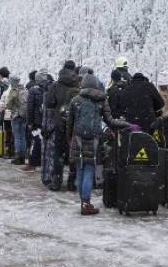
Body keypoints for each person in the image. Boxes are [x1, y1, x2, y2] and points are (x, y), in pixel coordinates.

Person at [68, 74, 132, 215]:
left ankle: (83, 202)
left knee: (80, 169)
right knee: (90, 170)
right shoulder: (101, 100)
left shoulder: (75, 100)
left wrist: (69, 139)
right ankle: (86, 203)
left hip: (77, 138)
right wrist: (126, 124)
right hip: (94, 140)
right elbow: (110, 121)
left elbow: (70, 123)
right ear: (96, 85)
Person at [44, 60, 80, 191]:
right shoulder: (78, 85)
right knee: (73, 152)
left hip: (60, 123)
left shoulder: (56, 85)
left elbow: (49, 103)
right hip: (74, 124)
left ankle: (57, 181)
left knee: (58, 152)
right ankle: (72, 182)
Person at [21, 70, 50, 172]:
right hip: (48, 121)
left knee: (35, 141)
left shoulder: (33, 90)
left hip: (37, 122)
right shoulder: (50, 88)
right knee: (46, 142)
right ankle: (44, 163)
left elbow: (30, 107)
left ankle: (32, 164)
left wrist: (29, 122)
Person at [5, 76, 28, 165]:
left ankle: (18, 157)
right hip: (24, 116)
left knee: (17, 136)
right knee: (22, 136)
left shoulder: (14, 90)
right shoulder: (25, 90)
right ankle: (23, 156)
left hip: (16, 115)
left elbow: (9, 105)